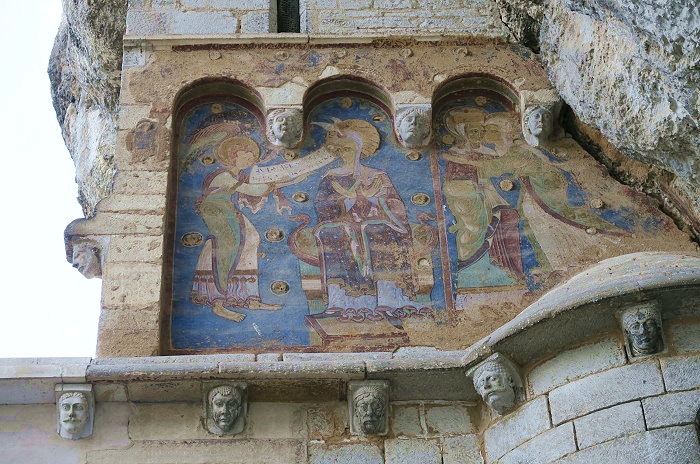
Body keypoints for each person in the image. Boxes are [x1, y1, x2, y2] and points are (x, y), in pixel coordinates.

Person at [310, 119, 422, 315]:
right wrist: (347, 199)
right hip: (343, 222)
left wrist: (374, 199)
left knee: (375, 229)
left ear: (359, 150)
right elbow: (322, 206)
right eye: (340, 149)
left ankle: (388, 297)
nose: (344, 153)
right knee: (332, 233)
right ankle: (344, 300)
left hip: (376, 221)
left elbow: (395, 205)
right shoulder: (331, 177)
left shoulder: (377, 175)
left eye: (348, 148)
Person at [191, 136, 284, 322]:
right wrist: (278, 182)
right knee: (228, 245)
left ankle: (250, 298)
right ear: (233, 156)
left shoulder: (237, 176)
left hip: (227, 208)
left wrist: (285, 181)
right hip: (215, 210)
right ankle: (218, 303)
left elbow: (255, 188)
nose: (250, 161)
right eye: (246, 157)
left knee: (251, 239)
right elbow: (253, 190)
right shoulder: (223, 176)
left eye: (252, 158)